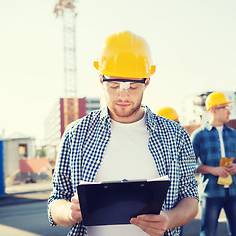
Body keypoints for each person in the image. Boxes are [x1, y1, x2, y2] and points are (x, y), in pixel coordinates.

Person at [47, 31, 199, 236]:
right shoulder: (76, 134)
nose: (123, 95)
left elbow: (190, 197)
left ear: (147, 82)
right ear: (101, 79)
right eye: (114, 86)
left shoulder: (175, 135)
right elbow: (56, 200)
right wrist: (70, 212)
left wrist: (170, 219)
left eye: (133, 86)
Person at [191, 91, 236, 236]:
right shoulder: (199, 135)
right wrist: (212, 170)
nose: (228, 111)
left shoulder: (234, 134)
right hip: (211, 193)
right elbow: (188, 163)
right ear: (213, 110)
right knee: (208, 233)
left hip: (234, 192)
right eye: (224, 107)